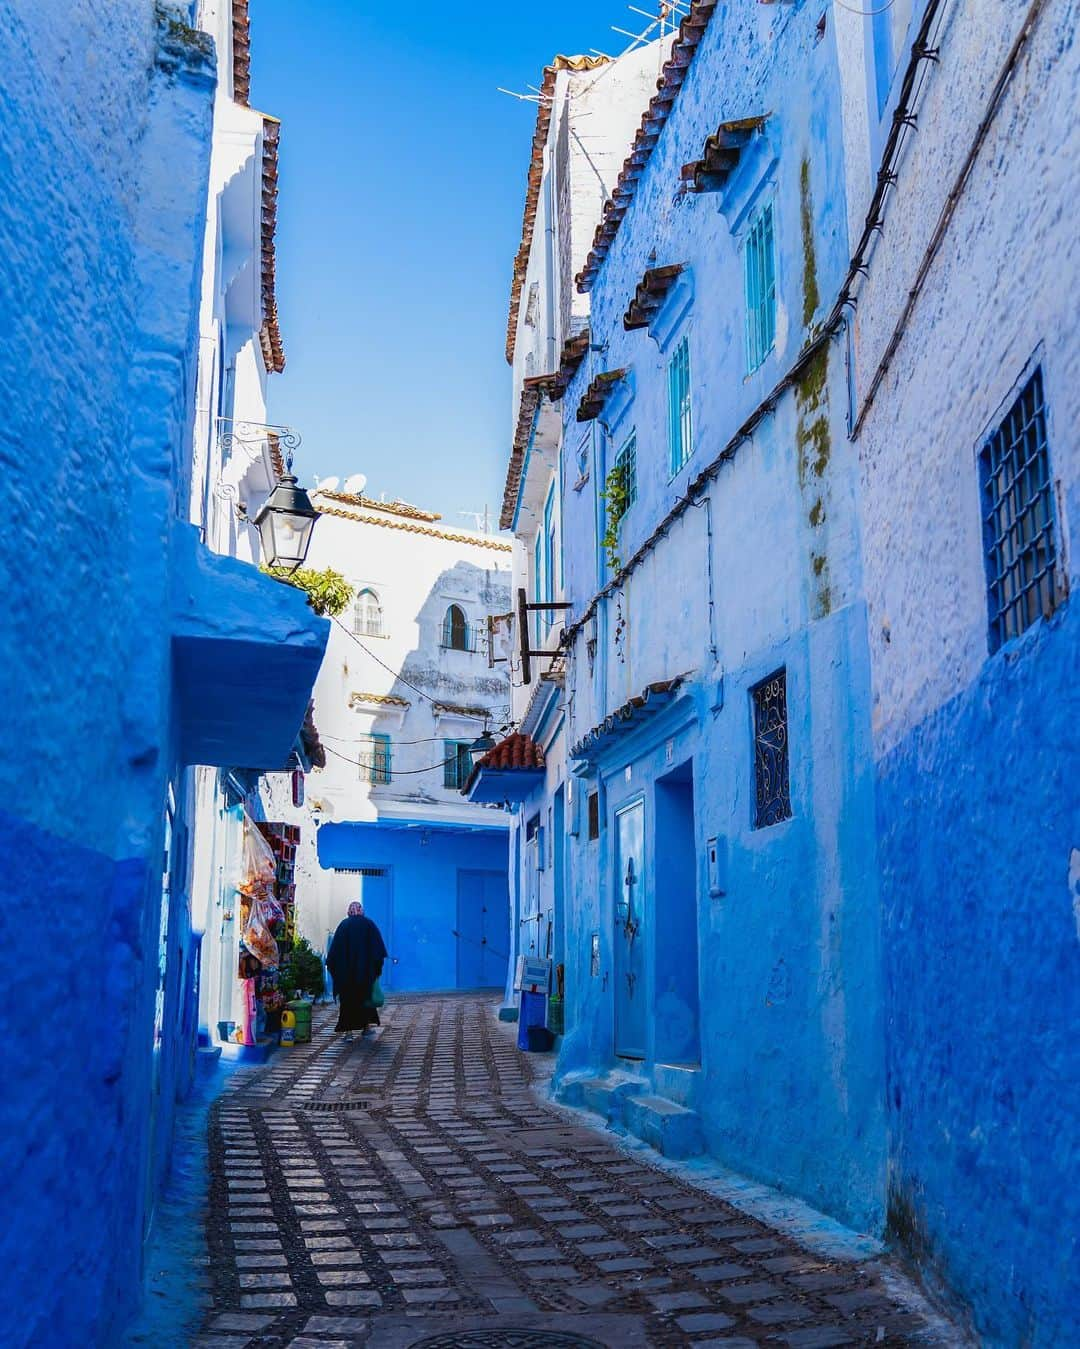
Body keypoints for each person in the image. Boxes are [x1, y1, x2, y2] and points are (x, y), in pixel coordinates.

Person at [326, 901, 387, 1041]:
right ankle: (366, 1028)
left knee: (347, 1004)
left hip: (346, 975)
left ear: (349, 912)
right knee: (365, 1000)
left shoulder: (343, 926)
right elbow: (378, 951)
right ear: (362, 911)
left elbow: (334, 953)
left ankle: (348, 1033)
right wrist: (374, 970)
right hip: (365, 974)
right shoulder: (369, 924)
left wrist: (338, 971)